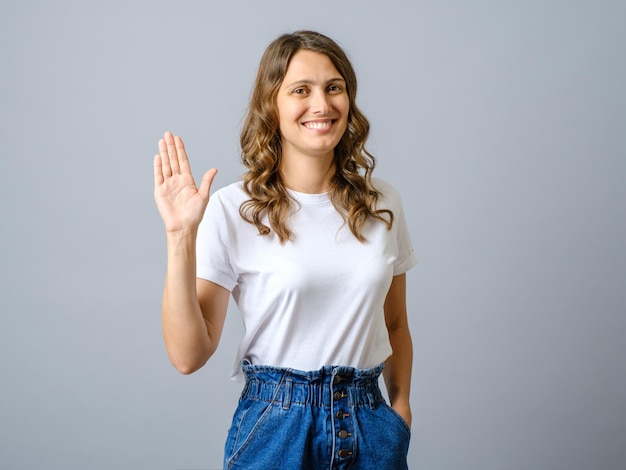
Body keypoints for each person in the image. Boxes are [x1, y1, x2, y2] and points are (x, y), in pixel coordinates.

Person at [153, 30, 417, 469]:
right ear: (271, 105)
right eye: (301, 90)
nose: (322, 105)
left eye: (334, 88)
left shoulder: (382, 202)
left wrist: (401, 409)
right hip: (277, 427)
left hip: (369, 424)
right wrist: (180, 236)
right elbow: (188, 356)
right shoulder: (234, 208)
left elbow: (395, 322)